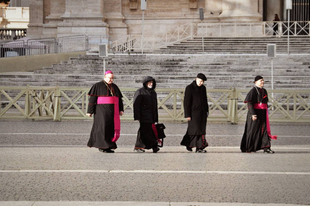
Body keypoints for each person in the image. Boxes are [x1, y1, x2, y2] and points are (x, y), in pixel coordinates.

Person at [86, 70, 124, 153]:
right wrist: (90, 111)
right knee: (102, 128)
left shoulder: (115, 87)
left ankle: (109, 145)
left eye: (112, 78)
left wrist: (121, 110)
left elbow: (119, 100)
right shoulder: (97, 86)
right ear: (105, 77)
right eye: (109, 78)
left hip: (112, 112)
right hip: (101, 111)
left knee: (110, 128)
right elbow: (92, 100)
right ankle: (102, 146)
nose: (111, 80)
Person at [240, 75, 277, 153]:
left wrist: (267, 111)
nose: (262, 82)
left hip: (263, 113)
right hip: (255, 113)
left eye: (263, 80)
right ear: (256, 82)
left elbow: (265, 102)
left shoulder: (264, 91)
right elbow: (249, 103)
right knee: (252, 130)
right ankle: (249, 147)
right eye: (261, 81)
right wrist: (253, 114)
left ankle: (266, 147)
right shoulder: (253, 91)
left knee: (265, 130)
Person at [181, 73, 209, 153]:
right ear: (196, 79)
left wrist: (207, 111)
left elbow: (205, 100)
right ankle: (195, 146)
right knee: (194, 130)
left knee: (201, 129)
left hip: (202, 113)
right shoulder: (189, 88)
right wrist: (187, 114)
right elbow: (186, 102)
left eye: (203, 81)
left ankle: (198, 146)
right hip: (194, 113)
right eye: (200, 81)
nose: (201, 83)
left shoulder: (203, 88)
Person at [133, 76, 160, 153]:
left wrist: (156, 117)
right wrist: (137, 116)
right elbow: (136, 105)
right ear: (145, 83)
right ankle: (143, 146)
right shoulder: (140, 91)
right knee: (144, 131)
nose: (151, 84)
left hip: (151, 115)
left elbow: (155, 105)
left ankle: (151, 146)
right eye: (149, 82)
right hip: (143, 115)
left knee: (149, 131)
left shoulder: (153, 93)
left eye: (152, 82)